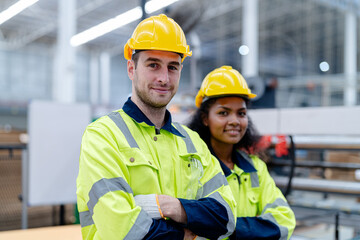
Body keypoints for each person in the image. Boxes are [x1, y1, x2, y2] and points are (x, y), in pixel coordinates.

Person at [76, 14, 236, 240]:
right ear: (132, 69)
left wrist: (169, 206)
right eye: (153, 65)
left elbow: (226, 218)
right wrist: (186, 234)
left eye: (172, 67)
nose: (164, 78)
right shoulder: (103, 136)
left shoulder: (192, 141)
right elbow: (120, 229)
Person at [188, 66, 296, 240]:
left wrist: (227, 228)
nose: (234, 121)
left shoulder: (255, 168)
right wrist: (255, 228)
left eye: (241, 113)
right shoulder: (192, 167)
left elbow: (285, 220)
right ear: (205, 118)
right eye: (223, 113)